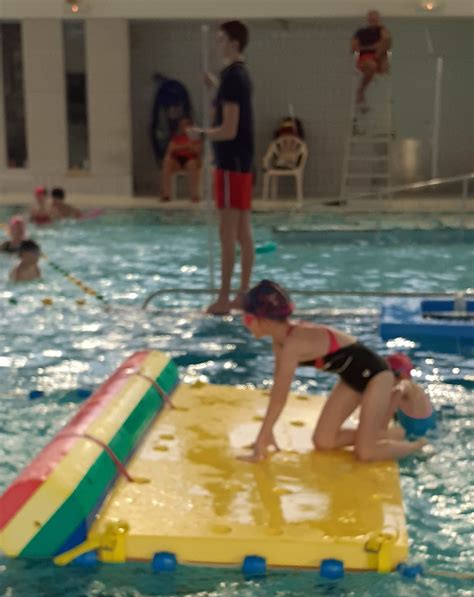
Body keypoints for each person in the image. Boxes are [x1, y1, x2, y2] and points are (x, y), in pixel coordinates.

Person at [241, 280, 427, 462]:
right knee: (324, 441)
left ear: (262, 320)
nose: (245, 324)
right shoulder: (280, 342)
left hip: (377, 376)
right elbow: (277, 392)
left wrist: (262, 438)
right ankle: (387, 435)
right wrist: (267, 432)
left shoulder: (293, 344)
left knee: (366, 453)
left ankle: (418, 447)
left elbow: (280, 396)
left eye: (247, 319)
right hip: (352, 378)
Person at [190, 20, 254, 315]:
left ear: (233, 43)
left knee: (227, 233)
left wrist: (200, 133)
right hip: (243, 162)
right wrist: (215, 87)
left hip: (229, 164)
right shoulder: (239, 75)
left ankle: (223, 300)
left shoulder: (232, 78)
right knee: (242, 231)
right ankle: (241, 295)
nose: (218, 45)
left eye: (221, 40)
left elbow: (228, 129)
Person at [385, 353, 437, 438]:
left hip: (417, 438)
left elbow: (402, 387)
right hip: (430, 432)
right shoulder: (416, 389)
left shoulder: (405, 385)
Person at [351, 10, 392, 106]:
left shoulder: (382, 31)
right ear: (368, 19)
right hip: (365, 59)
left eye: (376, 19)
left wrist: (381, 29)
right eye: (372, 18)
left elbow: (386, 41)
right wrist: (371, 47)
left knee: (386, 41)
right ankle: (360, 91)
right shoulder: (361, 32)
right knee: (372, 65)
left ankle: (379, 60)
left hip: (380, 57)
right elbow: (353, 48)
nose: (374, 20)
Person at [160, 118, 202, 202]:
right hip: (177, 160)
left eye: (186, 125)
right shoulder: (176, 138)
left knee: (192, 164)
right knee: (167, 161)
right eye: (182, 126)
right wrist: (186, 146)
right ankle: (166, 195)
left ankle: (194, 195)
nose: (184, 127)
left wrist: (180, 147)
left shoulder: (195, 138)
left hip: (190, 159)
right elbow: (171, 149)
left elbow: (196, 150)